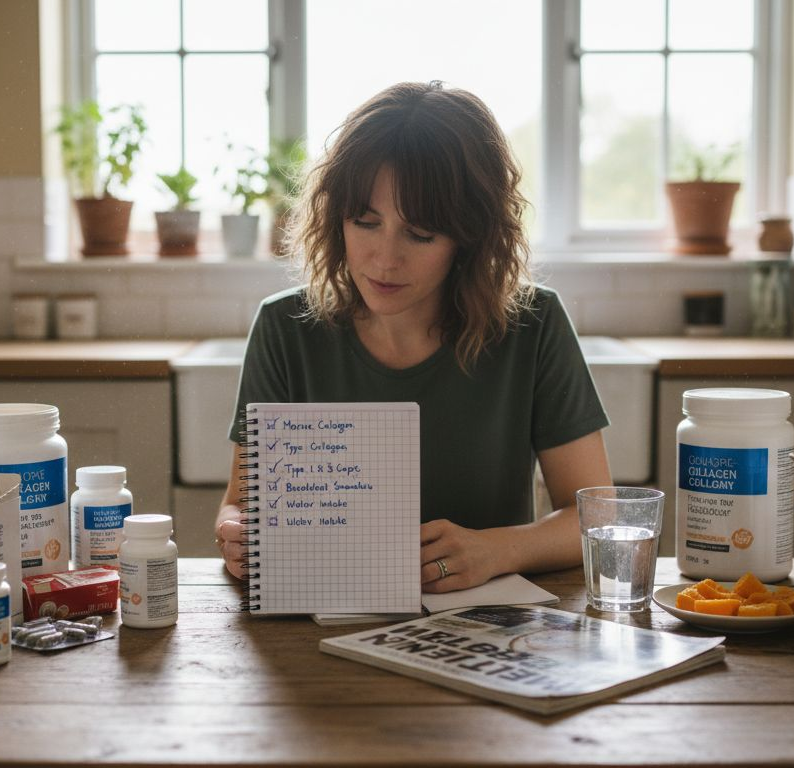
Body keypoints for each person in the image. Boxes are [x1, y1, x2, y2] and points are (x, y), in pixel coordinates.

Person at [214, 81, 612, 593]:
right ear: (336, 221)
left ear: (470, 238)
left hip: (487, 628)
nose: (384, 259)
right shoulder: (283, 329)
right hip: (316, 627)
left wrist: (496, 550)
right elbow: (240, 504)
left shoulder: (534, 324)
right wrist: (235, 533)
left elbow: (596, 518)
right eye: (365, 222)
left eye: (420, 234)